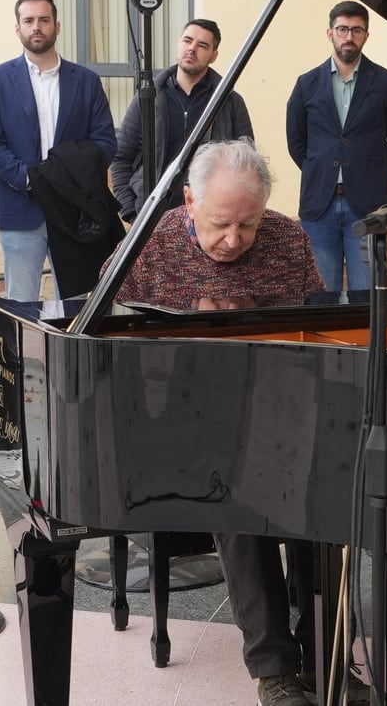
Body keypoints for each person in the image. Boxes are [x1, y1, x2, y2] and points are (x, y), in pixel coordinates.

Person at [112, 139, 365, 706]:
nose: (234, 240)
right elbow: (101, 335)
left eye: (247, 225)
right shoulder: (148, 246)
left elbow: (315, 332)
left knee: (330, 485)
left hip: (279, 409)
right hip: (181, 425)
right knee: (237, 490)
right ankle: (274, 669)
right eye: (221, 224)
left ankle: (328, 657)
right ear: (189, 202)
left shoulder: (287, 238)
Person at [0, 0, 116, 302]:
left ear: (57, 26)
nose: (36, 26)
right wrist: (32, 179)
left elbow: (106, 142)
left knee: (80, 304)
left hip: (75, 212)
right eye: (28, 20)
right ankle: (26, 355)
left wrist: (68, 180)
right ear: (18, 28)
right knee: (22, 304)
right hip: (19, 208)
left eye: (44, 19)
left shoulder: (86, 81)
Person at [287, 0, 387, 292]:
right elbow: (296, 142)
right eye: (342, 29)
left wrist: (371, 173)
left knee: (366, 294)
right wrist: (320, 171)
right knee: (319, 292)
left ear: (366, 36)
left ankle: (367, 340)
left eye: (357, 30)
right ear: (329, 33)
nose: (349, 36)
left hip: (369, 207)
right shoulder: (306, 84)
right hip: (319, 205)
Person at [110, 18, 254, 222]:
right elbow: (120, 157)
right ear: (179, 44)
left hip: (207, 218)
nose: (192, 49)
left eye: (202, 45)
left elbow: (246, 164)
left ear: (214, 55)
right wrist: (131, 210)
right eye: (187, 41)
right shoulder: (148, 97)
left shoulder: (229, 102)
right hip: (152, 217)